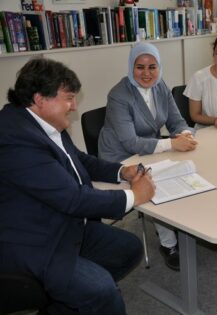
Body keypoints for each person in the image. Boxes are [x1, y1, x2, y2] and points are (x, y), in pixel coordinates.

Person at [0, 58, 156, 315]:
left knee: (129, 249)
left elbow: (78, 160)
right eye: (69, 98)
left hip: (63, 223)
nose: (74, 107)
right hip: (34, 243)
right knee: (103, 291)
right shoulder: (14, 139)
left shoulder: (42, 122)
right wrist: (134, 196)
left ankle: (66, 305)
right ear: (40, 99)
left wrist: (120, 171)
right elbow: (73, 199)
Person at [98, 42, 196, 271]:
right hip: (120, 158)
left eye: (152, 66)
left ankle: (179, 224)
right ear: (131, 67)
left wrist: (184, 134)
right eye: (140, 67)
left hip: (148, 151)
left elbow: (176, 122)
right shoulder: (118, 95)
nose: (146, 73)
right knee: (157, 181)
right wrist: (171, 143)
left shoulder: (160, 86)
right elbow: (130, 141)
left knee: (186, 169)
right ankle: (168, 243)